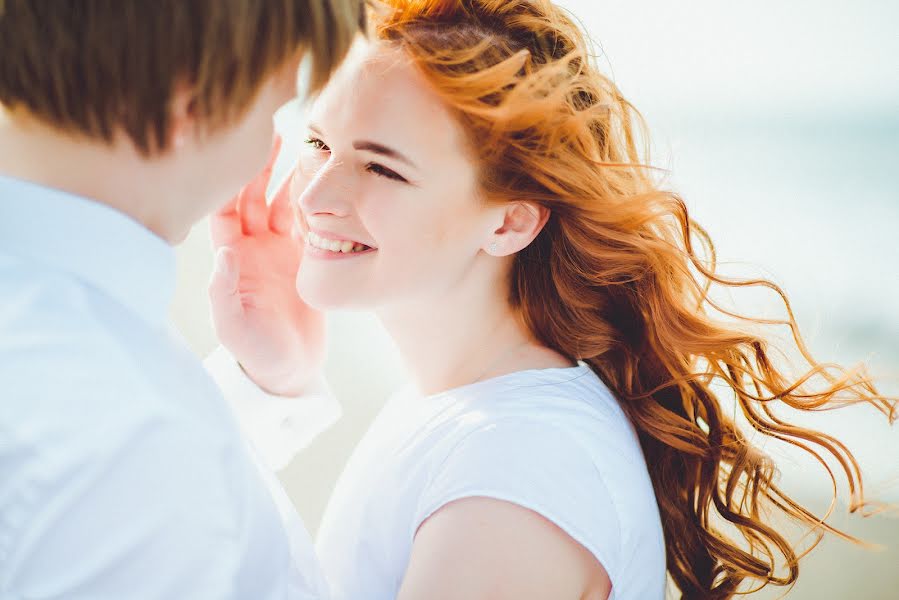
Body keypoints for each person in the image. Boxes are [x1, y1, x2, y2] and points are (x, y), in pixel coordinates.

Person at [212, 1, 897, 598]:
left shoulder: (514, 472)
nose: (312, 196)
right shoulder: (467, 411)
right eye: (318, 143)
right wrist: (274, 384)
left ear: (509, 221)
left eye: (380, 166)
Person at [0, 1, 362, 597]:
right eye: (272, 111)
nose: (269, 148)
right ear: (189, 108)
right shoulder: (128, 443)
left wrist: (265, 381)